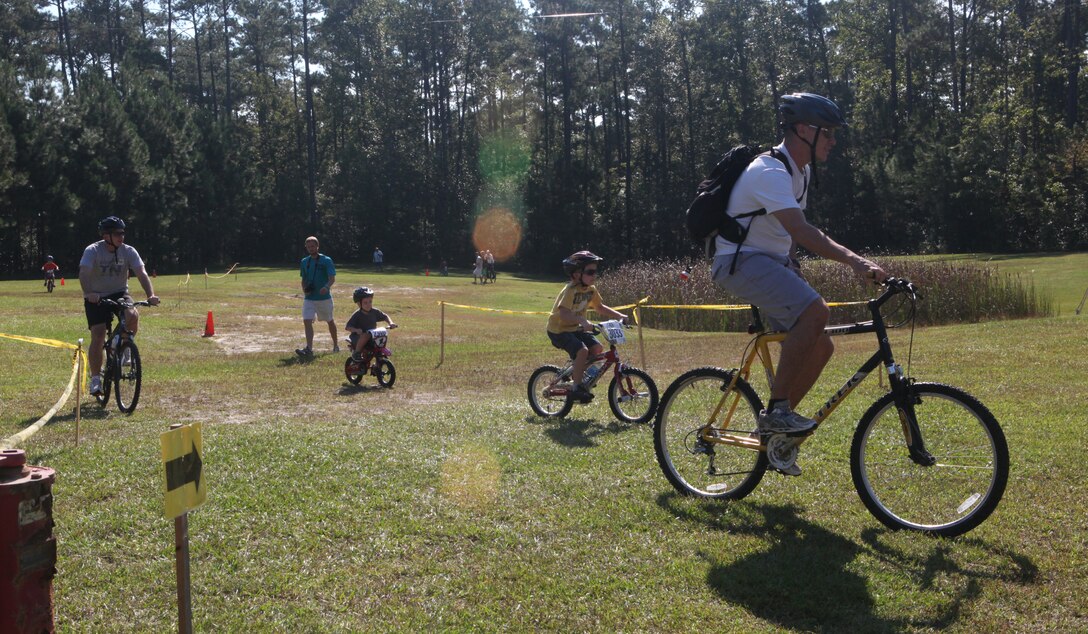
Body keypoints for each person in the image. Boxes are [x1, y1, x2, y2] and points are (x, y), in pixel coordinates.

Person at [711, 92, 886, 475]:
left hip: (769, 261)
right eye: (828, 134)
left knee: (821, 345)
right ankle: (778, 413)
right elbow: (801, 229)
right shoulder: (769, 171)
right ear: (804, 130)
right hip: (739, 261)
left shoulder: (799, 171)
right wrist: (856, 261)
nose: (833, 142)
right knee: (815, 311)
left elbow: (789, 234)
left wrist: (792, 264)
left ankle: (778, 431)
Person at [79, 216, 160, 396]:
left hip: (119, 293)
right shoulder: (92, 250)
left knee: (132, 315)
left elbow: (142, 273)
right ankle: (95, 380)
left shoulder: (128, 251)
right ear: (106, 235)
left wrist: (150, 295)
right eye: (117, 233)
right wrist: (89, 293)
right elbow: (84, 272)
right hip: (96, 295)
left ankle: (124, 347)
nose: (121, 236)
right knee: (98, 335)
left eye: (123, 233)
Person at [546, 251, 629, 404]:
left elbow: (600, 307)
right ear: (577, 274)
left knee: (597, 348)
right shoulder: (570, 290)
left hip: (575, 328)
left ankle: (581, 376)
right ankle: (576, 387)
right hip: (559, 330)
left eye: (595, 271)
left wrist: (619, 316)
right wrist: (582, 320)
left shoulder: (591, 290)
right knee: (582, 351)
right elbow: (563, 313)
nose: (594, 275)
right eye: (590, 272)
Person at [297, 236, 338, 357]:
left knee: (330, 321)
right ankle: (309, 348)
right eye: (308, 247)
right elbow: (303, 279)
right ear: (306, 247)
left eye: (313, 246)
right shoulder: (304, 261)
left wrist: (326, 287)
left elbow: (332, 278)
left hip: (324, 298)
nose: (311, 248)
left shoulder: (326, 260)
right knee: (306, 320)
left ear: (317, 246)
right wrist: (305, 290)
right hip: (309, 298)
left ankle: (335, 345)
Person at [345, 286, 397, 361]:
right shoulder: (357, 315)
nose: (368, 304)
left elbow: (385, 316)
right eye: (365, 303)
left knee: (383, 334)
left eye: (370, 302)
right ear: (359, 304)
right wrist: (356, 330)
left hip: (372, 336)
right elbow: (347, 327)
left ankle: (380, 354)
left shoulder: (374, 312)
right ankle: (357, 352)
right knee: (366, 335)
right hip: (358, 338)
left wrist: (391, 323)